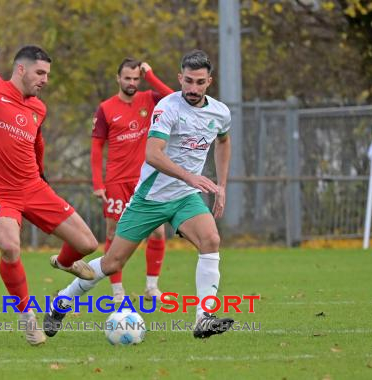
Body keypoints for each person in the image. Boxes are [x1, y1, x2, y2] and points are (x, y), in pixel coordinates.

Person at [45, 50, 234, 339]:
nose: (193, 89)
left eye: (199, 82)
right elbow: (153, 154)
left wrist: (221, 186)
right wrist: (191, 176)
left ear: (209, 81)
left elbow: (223, 140)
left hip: (184, 196)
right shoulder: (168, 108)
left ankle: (203, 318)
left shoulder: (219, 112)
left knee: (211, 240)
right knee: (112, 263)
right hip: (150, 198)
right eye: (188, 81)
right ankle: (63, 301)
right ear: (180, 78)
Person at [0, 40, 99, 345]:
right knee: (10, 248)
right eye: (40, 73)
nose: (45, 80)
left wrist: (41, 170)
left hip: (33, 187)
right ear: (21, 69)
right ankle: (27, 317)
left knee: (88, 243)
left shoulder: (38, 108)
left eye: (47, 74)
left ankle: (65, 262)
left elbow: (36, 140)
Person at [91, 58, 173, 302]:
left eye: (136, 78)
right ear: (118, 78)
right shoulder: (106, 108)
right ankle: (117, 290)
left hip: (148, 180)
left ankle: (151, 287)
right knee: (115, 233)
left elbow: (175, 98)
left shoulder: (150, 99)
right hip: (117, 180)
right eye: (127, 78)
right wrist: (98, 183)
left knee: (158, 232)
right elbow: (96, 148)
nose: (132, 83)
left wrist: (151, 75)